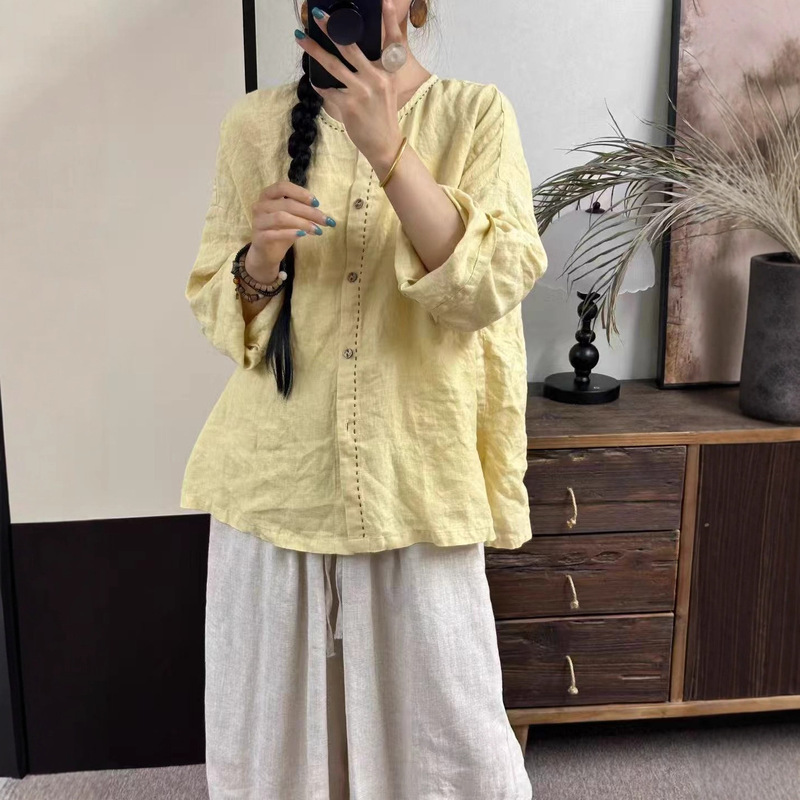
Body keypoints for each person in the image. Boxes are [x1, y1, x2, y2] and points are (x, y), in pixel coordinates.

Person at [181, 0, 548, 797]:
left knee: (449, 753)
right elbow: (221, 309)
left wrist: (389, 152)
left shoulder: (475, 115)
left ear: (414, 5)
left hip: (415, 478)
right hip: (275, 485)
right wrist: (261, 259)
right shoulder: (253, 126)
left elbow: (493, 285)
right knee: (278, 758)